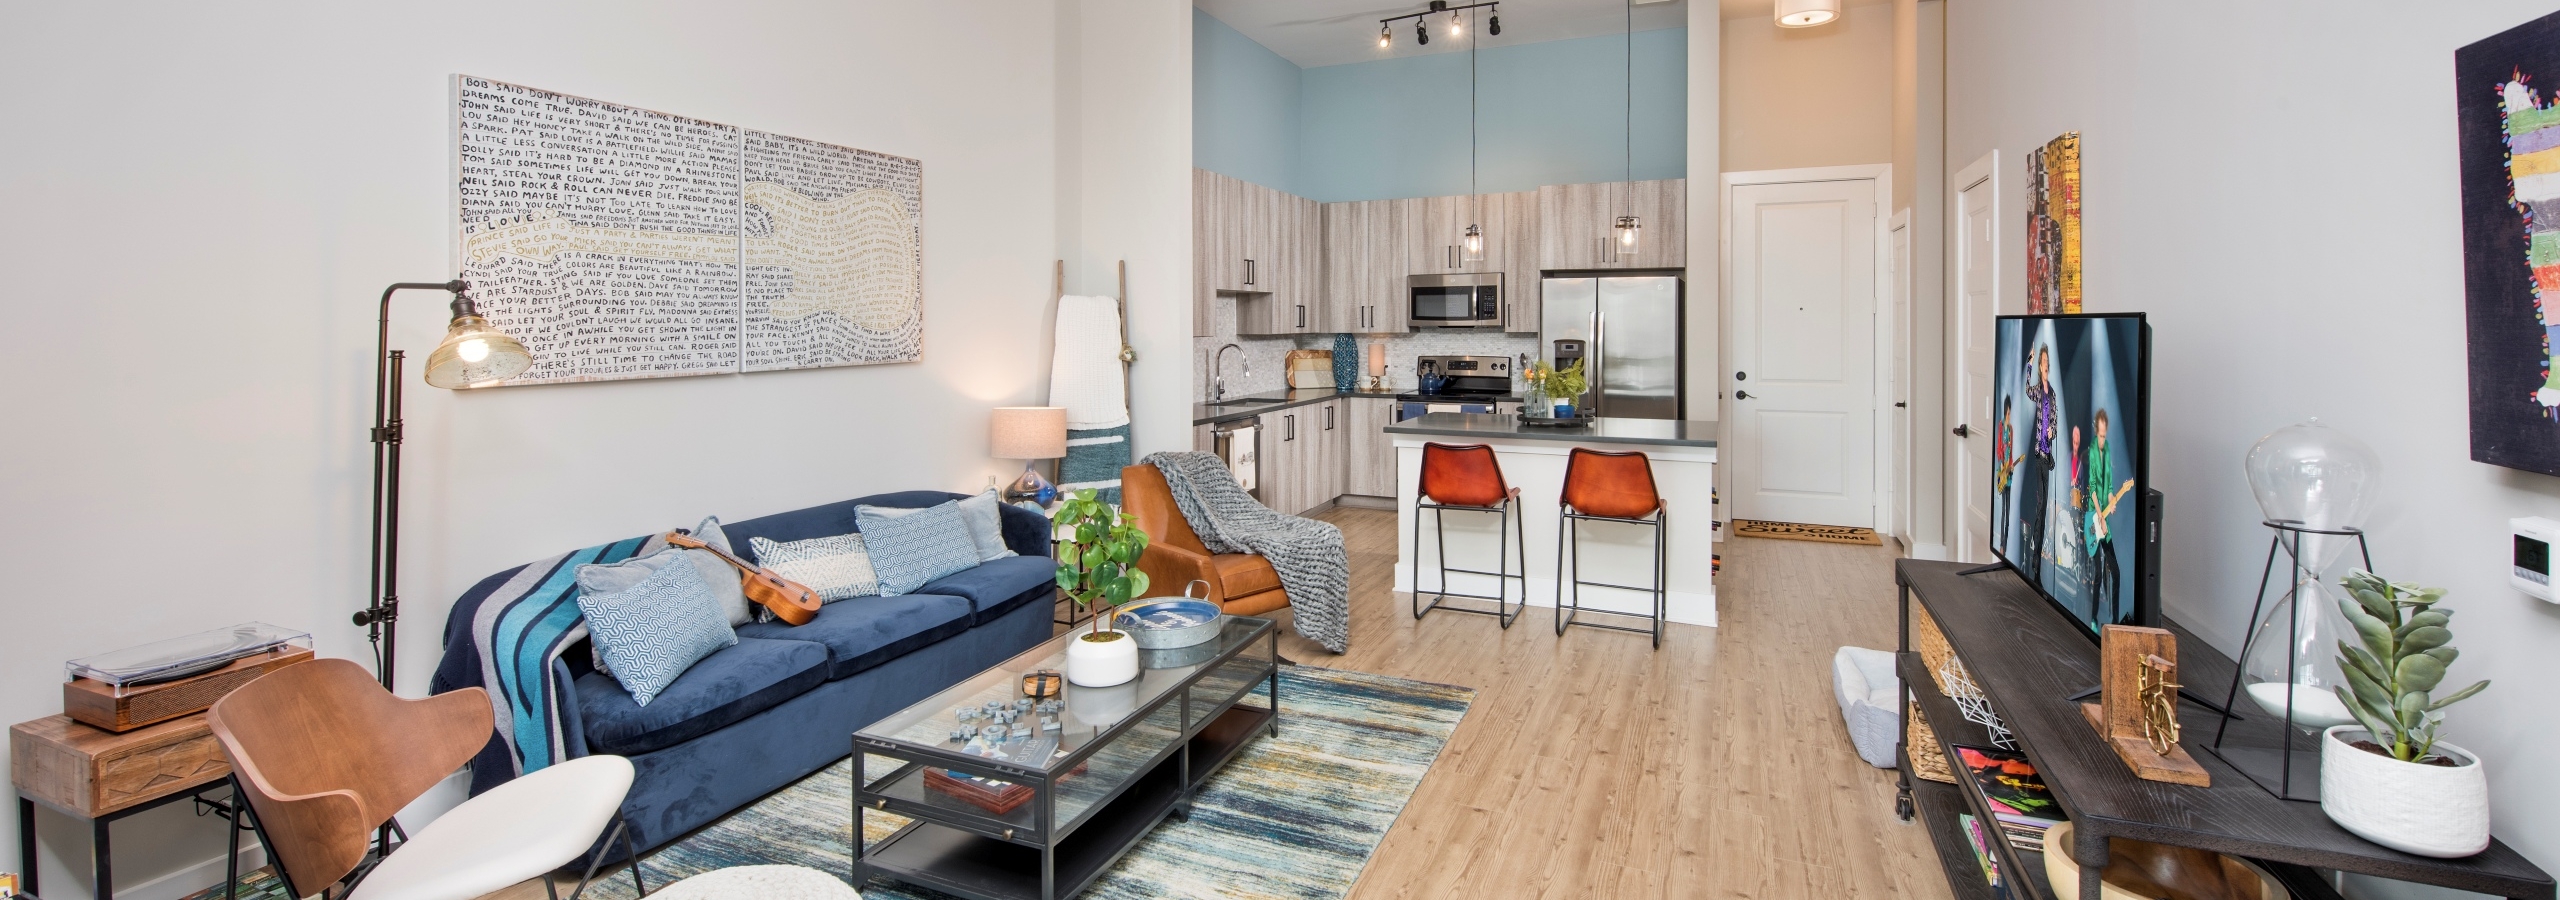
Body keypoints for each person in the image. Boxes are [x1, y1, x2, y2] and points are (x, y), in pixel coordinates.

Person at [2081, 409, 2132, 623]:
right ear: (2096, 431)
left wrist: (2113, 500)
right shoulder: (2092, 452)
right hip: (2094, 517)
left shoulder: (2108, 449)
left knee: (2116, 573)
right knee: (2098, 575)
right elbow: (2092, 487)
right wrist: (2100, 515)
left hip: (2105, 521)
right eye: (2100, 435)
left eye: (2105, 435)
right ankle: (2093, 619)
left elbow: (2109, 486)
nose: (2103, 439)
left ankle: (2115, 622)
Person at [2018, 346, 2056, 583]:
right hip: (2037, 454)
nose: (2045, 366)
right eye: (2042, 362)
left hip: (2047, 456)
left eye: (2045, 362)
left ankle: (2037, 560)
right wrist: (2029, 364)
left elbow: (2055, 420)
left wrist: (2053, 430)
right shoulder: (2038, 393)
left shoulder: (2052, 394)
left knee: (2043, 506)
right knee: (2040, 502)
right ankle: (2034, 551)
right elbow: (2026, 390)